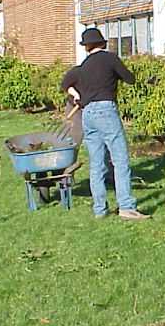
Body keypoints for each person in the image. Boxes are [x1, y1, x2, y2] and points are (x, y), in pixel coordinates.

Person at [62, 27, 148, 221]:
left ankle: (100, 210)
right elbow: (130, 79)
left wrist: (77, 96)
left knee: (97, 164)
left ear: (86, 47)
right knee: (120, 160)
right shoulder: (110, 58)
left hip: (88, 115)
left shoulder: (82, 67)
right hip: (105, 111)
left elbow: (66, 83)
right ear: (103, 43)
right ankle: (126, 207)